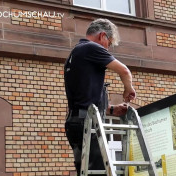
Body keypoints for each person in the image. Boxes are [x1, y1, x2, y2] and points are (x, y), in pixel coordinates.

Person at [64, 18, 136, 176]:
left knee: (87, 172)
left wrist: (110, 109)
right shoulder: (91, 48)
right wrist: (128, 89)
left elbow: (84, 96)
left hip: (75, 122)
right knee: (98, 173)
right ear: (103, 36)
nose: (108, 49)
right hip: (86, 123)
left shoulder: (77, 53)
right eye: (109, 43)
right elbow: (124, 71)